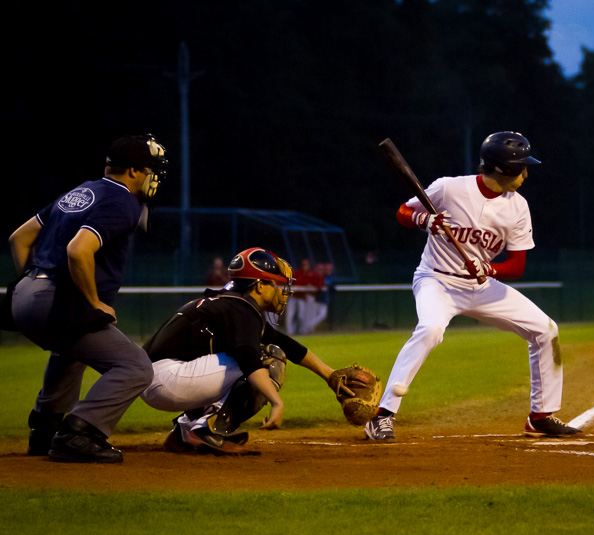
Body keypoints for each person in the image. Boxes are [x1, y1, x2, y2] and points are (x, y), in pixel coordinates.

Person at [364, 131, 582, 441]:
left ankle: (540, 416)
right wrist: (425, 221)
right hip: (436, 279)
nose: (526, 172)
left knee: (546, 330)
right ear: (503, 170)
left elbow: (517, 266)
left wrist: (489, 268)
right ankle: (382, 416)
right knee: (430, 330)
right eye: (522, 166)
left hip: (481, 286)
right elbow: (404, 212)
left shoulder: (517, 207)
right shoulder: (449, 187)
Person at [7, 134, 168, 463]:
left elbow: (19, 238)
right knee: (135, 367)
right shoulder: (123, 201)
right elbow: (78, 250)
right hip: (50, 298)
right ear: (134, 171)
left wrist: (34, 281)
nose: (155, 176)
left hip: (24, 292)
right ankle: (80, 433)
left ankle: (46, 430)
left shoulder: (83, 190)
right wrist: (92, 302)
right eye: (152, 169)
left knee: (71, 352)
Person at [140, 247, 352, 453]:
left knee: (260, 353)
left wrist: (329, 375)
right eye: (275, 284)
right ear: (259, 285)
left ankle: (184, 431)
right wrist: (276, 402)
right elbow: (248, 359)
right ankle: (209, 429)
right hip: (169, 379)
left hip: (154, 379)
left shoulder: (230, 303)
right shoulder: (242, 309)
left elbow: (285, 342)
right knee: (269, 358)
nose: (281, 291)